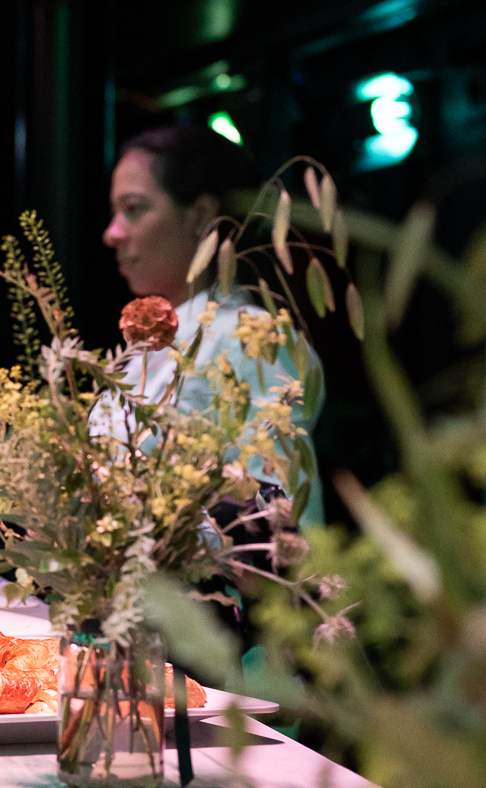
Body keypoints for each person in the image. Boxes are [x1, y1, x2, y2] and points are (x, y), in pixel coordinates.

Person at [101, 123, 323, 522]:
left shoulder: (251, 339)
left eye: (133, 209)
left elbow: (278, 519)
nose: (112, 233)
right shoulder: (141, 353)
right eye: (115, 212)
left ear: (201, 214)